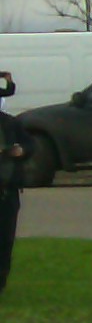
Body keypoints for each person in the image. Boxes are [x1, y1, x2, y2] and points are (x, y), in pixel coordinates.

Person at [0, 71, 26, 298]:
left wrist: (20, 151)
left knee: (5, 238)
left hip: (7, 191)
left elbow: (29, 146)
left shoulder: (10, 124)